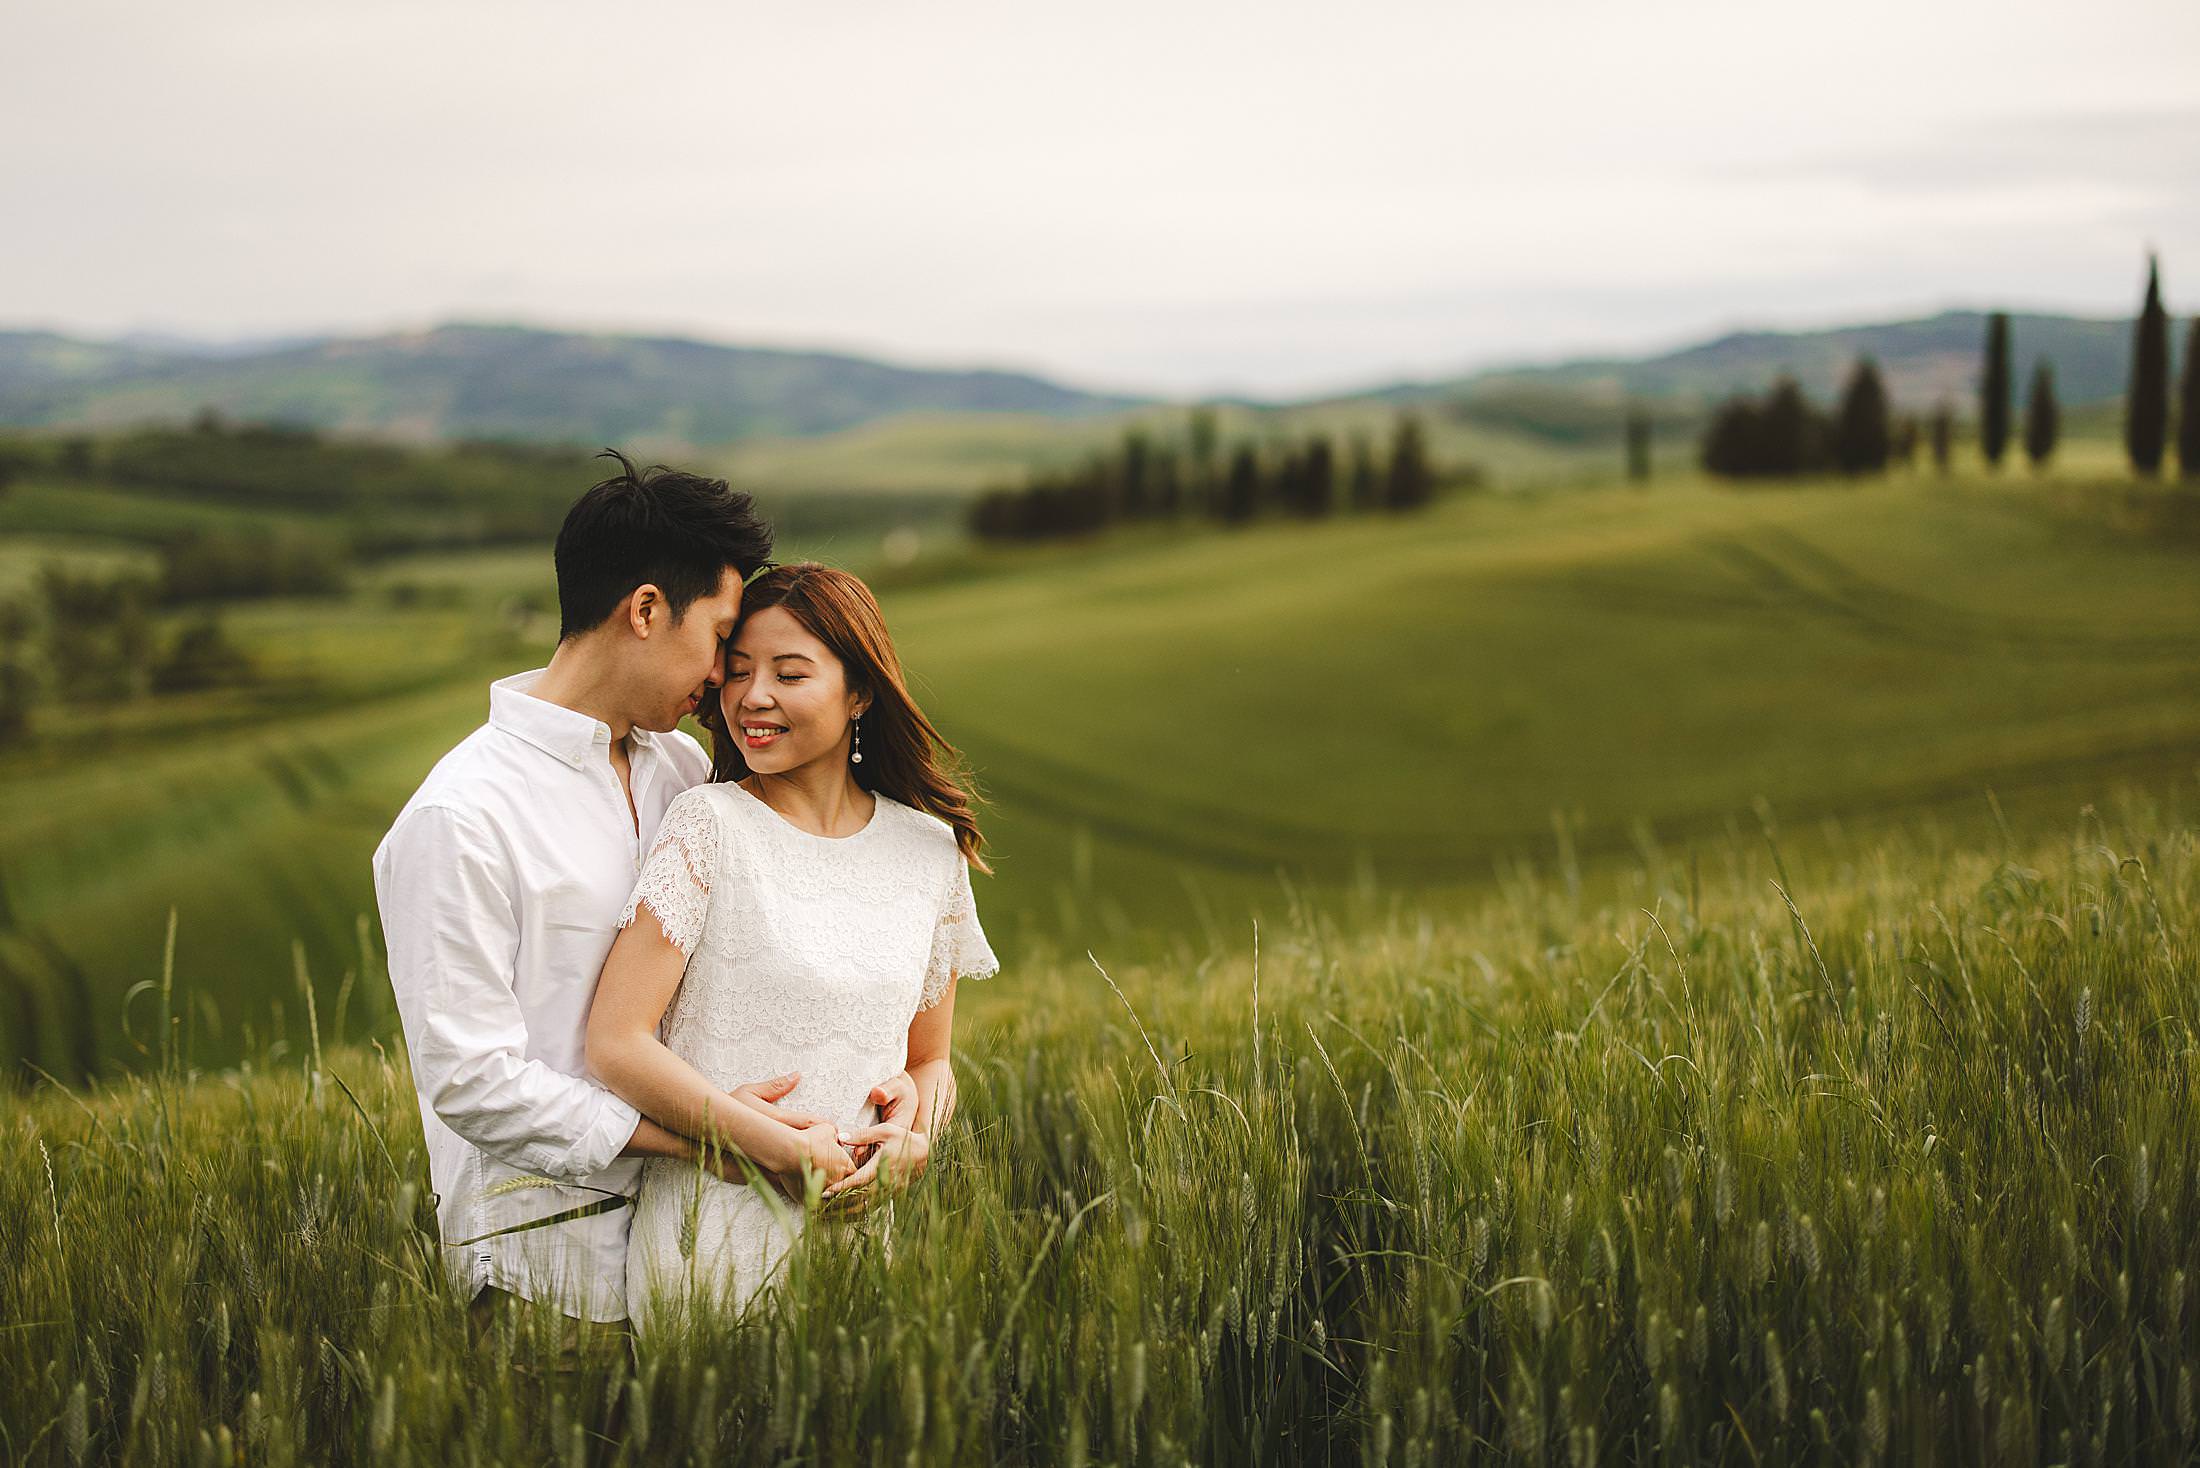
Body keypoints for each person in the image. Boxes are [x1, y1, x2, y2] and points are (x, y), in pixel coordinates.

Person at [374, 451, 911, 1334]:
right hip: (544, 1276)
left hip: (705, 1256)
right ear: (647, 610)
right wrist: (719, 1145)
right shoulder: (460, 817)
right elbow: (471, 1083)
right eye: (720, 641)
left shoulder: (681, 771)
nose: (724, 678)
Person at [586, 562, 998, 1332]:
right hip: (710, 1246)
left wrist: (917, 1140)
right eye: (736, 672)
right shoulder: (707, 826)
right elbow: (616, 1043)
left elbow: (930, 1062)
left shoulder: (927, 853)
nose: (753, 697)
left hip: (865, 1255)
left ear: (861, 693)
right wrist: (764, 1145)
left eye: (790, 672)